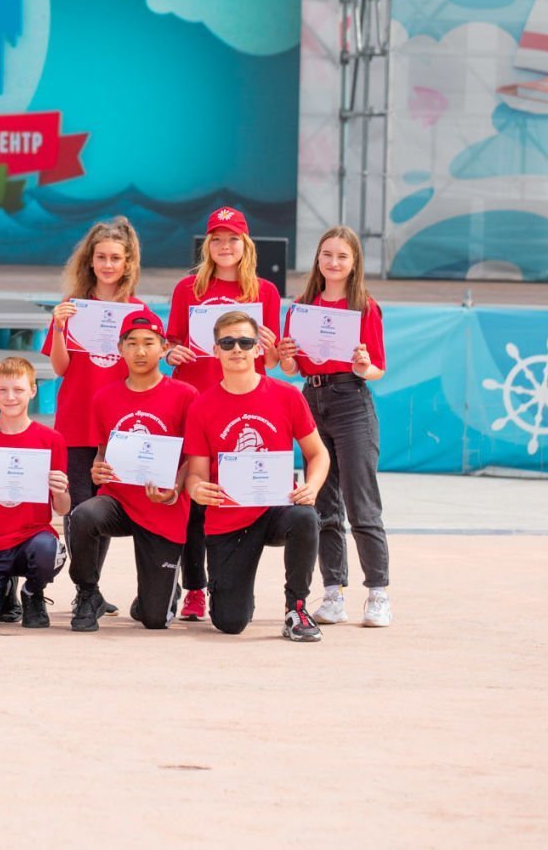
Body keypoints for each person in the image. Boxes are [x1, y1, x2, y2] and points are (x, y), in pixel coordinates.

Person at [162, 205, 283, 624]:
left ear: (245, 244)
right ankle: (195, 588)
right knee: (196, 500)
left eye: (233, 239)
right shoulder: (188, 288)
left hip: (243, 408)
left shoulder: (264, 291)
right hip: (196, 403)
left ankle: (231, 585)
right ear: (207, 244)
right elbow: (171, 342)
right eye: (217, 239)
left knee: (238, 498)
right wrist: (170, 352)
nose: (225, 246)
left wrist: (272, 347)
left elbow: (272, 360)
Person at [182, 311, 331, 643]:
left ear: (258, 349)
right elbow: (196, 474)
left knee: (305, 517)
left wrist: (312, 487)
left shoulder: (287, 395)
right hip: (229, 517)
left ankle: (296, 609)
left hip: (276, 507)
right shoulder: (202, 406)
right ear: (215, 350)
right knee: (230, 622)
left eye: (245, 342)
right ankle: (235, 596)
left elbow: (318, 454)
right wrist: (197, 490)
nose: (237, 349)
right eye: (227, 342)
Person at [276, 225, 390, 628]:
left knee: (362, 503)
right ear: (318, 259)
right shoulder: (301, 307)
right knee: (322, 504)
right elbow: (292, 368)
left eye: (342, 256)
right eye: (327, 254)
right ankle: (333, 593)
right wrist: (285, 357)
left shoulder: (365, 307)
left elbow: (377, 368)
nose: (334, 262)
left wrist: (363, 366)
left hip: (351, 401)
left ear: (354, 262)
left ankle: (378, 593)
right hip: (312, 399)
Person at [44, 216, 156, 622]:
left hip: (122, 428)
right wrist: (60, 328)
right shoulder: (71, 307)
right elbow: (59, 368)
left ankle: (93, 588)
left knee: (104, 507)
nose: (108, 264)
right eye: (101, 257)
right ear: (89, 261)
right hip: (76, 421)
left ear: (128, 264)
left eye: (115, 258)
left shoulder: (139, 313)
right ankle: (86, 590)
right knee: (78, 509)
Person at [68, 310, 197, 632]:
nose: (140, 351)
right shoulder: (104, 397)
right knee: (83, 515)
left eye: (149, 343)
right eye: (132, 343)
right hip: (119, 501)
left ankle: (159, 591)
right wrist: (98, 470)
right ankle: (88, 593)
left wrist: (176, 487)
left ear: (164, 348)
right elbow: (102, 452)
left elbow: (194, 457)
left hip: (162, 505)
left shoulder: (185, 395)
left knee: (154, 620)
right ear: (120, 349)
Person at [0, 357, 70, 629]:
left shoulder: (51, 440)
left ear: (33, 391)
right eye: (3, 390)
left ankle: (32, 592)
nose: (10, 397)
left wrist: (60, 489)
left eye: (18, 390)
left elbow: (62, 508)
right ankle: (4, 587)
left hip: (32, 538)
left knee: (48, 550)